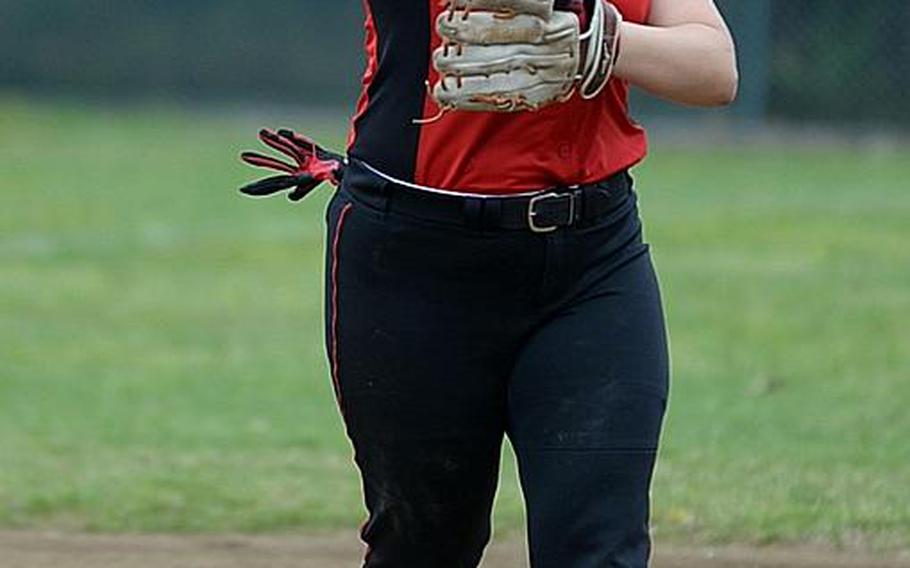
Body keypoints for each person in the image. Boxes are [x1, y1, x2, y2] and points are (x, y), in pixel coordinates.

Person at [240, 1, 738, 566]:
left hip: (591, 264)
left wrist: (597, 40)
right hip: (413, 259)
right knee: (425, 546)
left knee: (599, 549)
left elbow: (714, 68)